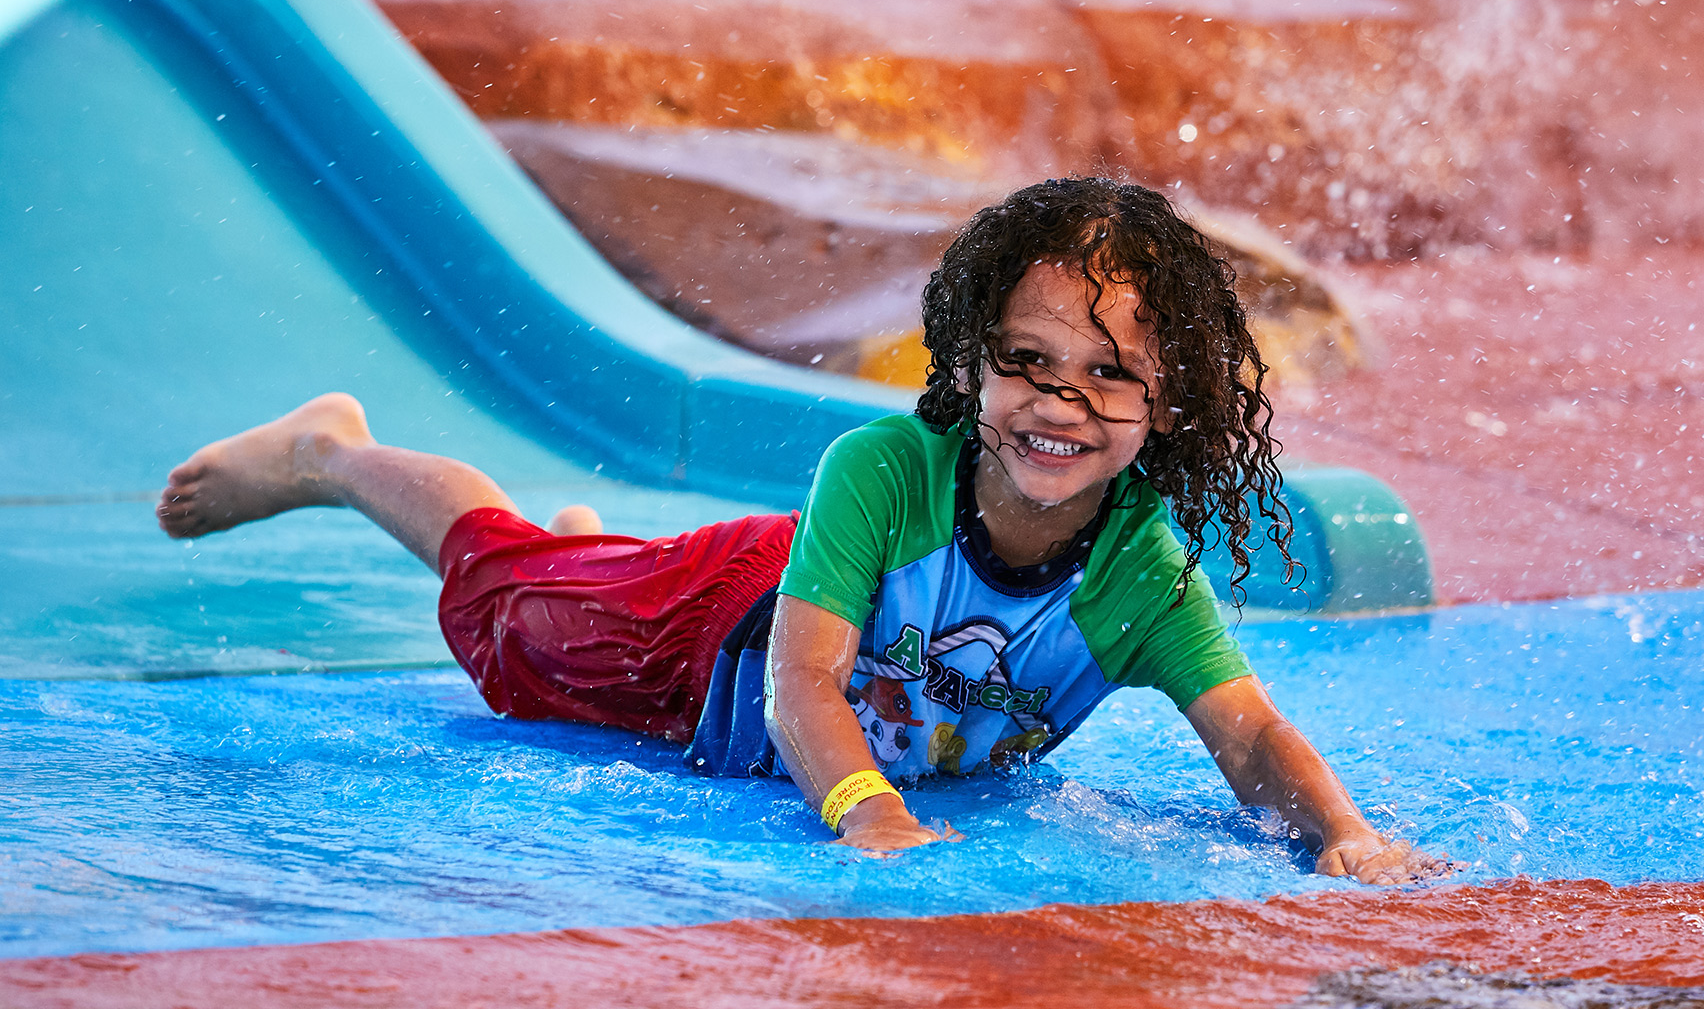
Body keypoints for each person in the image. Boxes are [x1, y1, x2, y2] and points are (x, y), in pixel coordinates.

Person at [156, 177, 1438, 884]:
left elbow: (1250, 734)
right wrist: (869, 812)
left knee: (567, 578)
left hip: (740, 641)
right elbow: (802, 680)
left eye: (1111, 376)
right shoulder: (884, 472)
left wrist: (1345, 832)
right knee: (505, 611)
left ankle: (582, 553)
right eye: (1028, 362)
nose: (1061, 404)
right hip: (711, 629)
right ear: (967, 362)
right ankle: (335, 451)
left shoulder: (1139, 573)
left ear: (1170, 403)